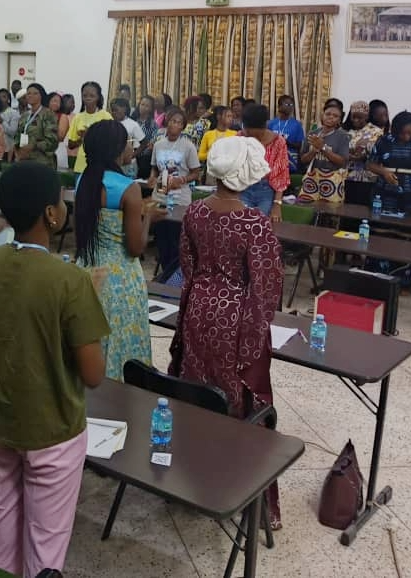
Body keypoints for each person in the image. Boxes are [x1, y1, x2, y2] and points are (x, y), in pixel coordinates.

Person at [0, 161, 108, 577]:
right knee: (45, 540)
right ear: (50, 213)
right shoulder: (69, 280)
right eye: (60, 203)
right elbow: (94, 374)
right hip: (52, 430)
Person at [168, 136, 284, 528]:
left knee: (198, 392)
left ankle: (192, 479)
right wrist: (253, 343)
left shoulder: (195, 212)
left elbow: (187, 265)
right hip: (236, 318)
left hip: (197, 308)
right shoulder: (255, 223)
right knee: (238, 399)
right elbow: (265, 288)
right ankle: (234, 488)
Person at [76, 120, 161, 379]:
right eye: (127, 143)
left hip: (88, 271)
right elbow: (135, 248)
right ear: (115, 149)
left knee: (90, 340)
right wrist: (148, 218)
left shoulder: (83, 181)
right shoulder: (128, 188)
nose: (130, 148)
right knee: (120, 343)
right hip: (120, 280)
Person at [149, 106, 202, 273]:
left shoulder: (188, 146)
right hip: (160, 194)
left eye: (179, 123)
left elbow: (196, 172)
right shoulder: (159, 145)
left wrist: (182, 179)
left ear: (183, 127)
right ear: (167, 122)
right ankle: (166, 272)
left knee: (176, 238)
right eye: (173, 121)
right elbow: (154, 167)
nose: (175, 125)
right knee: (162, 236)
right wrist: (152, 177)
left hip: (180, 197)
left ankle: (175, 274)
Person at [368, 111, 411, 214]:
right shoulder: (384, 141)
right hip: (386, 191)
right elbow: (371, 164)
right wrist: (384, 172)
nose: (406, 136)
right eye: (402, 133)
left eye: (410, 133)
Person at [241, 104, 291, 220]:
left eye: (257, 135)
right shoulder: (240, 138)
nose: (254, 139)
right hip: (243, 188)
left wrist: (277, 204)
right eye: (248, 134)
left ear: (265, 126)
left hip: (266, 191)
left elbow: (281, 175)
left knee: (261, 223)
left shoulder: (278, 142)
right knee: (242, 222)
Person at [299, 103, 350, 201]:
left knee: (330, 209)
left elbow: (342, 162)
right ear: (322, 115)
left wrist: (323, 148)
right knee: (307, 206)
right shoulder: (312, 134)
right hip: (312, 178)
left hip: (332, 180)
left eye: (335, 116)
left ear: (339, 120)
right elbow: (303, 160)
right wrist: (313, 151)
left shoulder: (343, 136)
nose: (331, 117)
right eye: (328, 114)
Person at [343, 100, 384, 206]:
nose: (356, 120)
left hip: (367, 180)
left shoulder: (376, 132)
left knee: (363, 210)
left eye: (360, 117)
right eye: (353, 117)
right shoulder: (346, 132)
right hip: (347, 177)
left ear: (367, 116)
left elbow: (375, 152)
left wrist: (360, 153)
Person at [67, 81, 113, 173]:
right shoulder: (78, 117)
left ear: (98, 97)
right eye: (85, 95)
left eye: (92, 96)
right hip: (81, 166)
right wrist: (81, 139)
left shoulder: (106, 116)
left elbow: (112, 142)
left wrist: (92, 135)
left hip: (100, 165)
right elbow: (71, 145)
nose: (88, 98)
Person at [15, 82, 59, 169]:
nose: (31, 96)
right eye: (28, 93)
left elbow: (52, 141)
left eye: (35, 93)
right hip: (24, 160)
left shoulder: (48, 114)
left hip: (42, 162)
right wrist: (17, 151)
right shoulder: (24, 115)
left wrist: (33, 145)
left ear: (41, 96)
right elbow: (17, 135)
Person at [268, 95, 306, 173]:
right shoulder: (271, 123)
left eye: (292, 105)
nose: (290, 107)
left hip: (290, 161)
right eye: (287, 104)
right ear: (279, 106)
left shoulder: (297, 124)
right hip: (273, 160)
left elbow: (299, 146)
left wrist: (286, 142)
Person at [109, 97, 144, 178]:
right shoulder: (110, 124)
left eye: (116, 110)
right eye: (112, 110)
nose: (114, 113)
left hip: (129, 165)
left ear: (124, 109)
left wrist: (132, 155)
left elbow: (144, 142)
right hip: (114, 164)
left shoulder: (133, 124)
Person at [133, 94, 159, 179]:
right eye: (142, 104)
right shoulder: (133, 120)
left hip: (144, 156)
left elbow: (152, 141)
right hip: (130, 154)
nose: (143, 107)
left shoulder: (153, 124)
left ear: (151, 109)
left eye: (147, 106)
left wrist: (140, 152)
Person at [0, 88, 19, 156]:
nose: (0, 99)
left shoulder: (14, 113)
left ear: (8, 100)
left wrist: (1, 121)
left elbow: (13, 132)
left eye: (4, 97)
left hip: (7, 150)